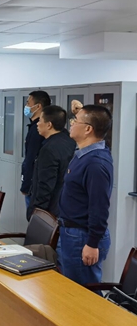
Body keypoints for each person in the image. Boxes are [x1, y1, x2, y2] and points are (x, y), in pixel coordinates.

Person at [57, 105, 113, 289]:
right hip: (72, 232)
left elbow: (99, 207)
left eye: (75, 121)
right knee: (72, 290)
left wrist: (92, 243)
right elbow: (94, 121)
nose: (71, 124)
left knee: (83, 294)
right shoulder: (86, 154)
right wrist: (80, 111)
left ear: (88, 129)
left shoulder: (95, 163)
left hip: (82, 237)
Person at [26, 105, 76, 220]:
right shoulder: (69, 140)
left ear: (49, 125)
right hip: (63, 206)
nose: (37, 124)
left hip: (49, 211)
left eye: (40, 120)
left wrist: (37, 214)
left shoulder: (49, 149)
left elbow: (45, 185)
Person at [20, 91, 51, 207]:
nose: (26, 106)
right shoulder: (35, 127)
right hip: (37, 183)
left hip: (35, 185)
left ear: (38, 106)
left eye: (28, 103)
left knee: (34, 215)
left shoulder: (38, 130)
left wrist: (26, 185)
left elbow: (31, 159)